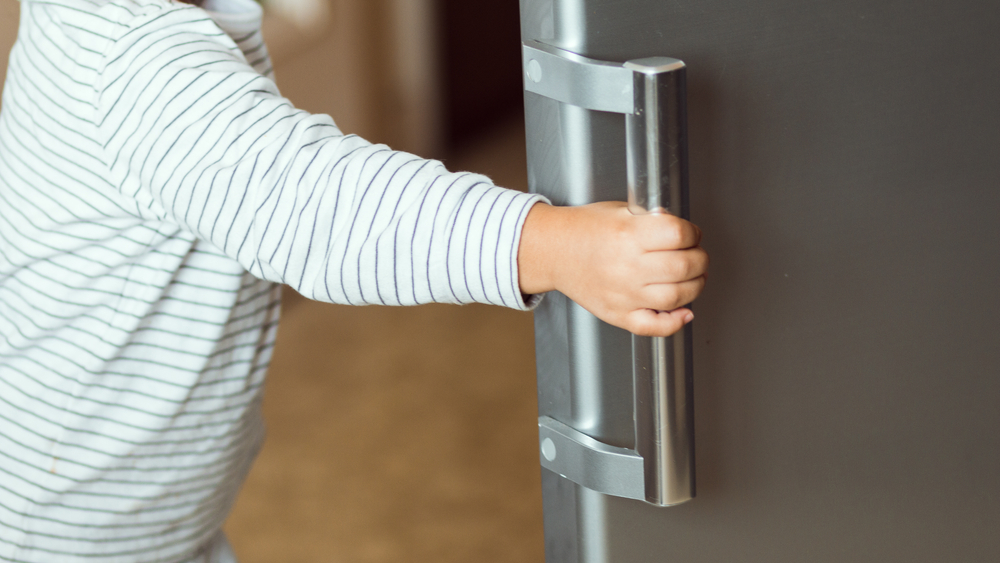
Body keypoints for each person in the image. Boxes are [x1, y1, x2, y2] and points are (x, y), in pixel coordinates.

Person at [0, 0, 708, 560]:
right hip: (76, 535)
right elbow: (324, 209)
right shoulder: (132, 64)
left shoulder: (113, 32)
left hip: (154, 525)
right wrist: (551, 244)